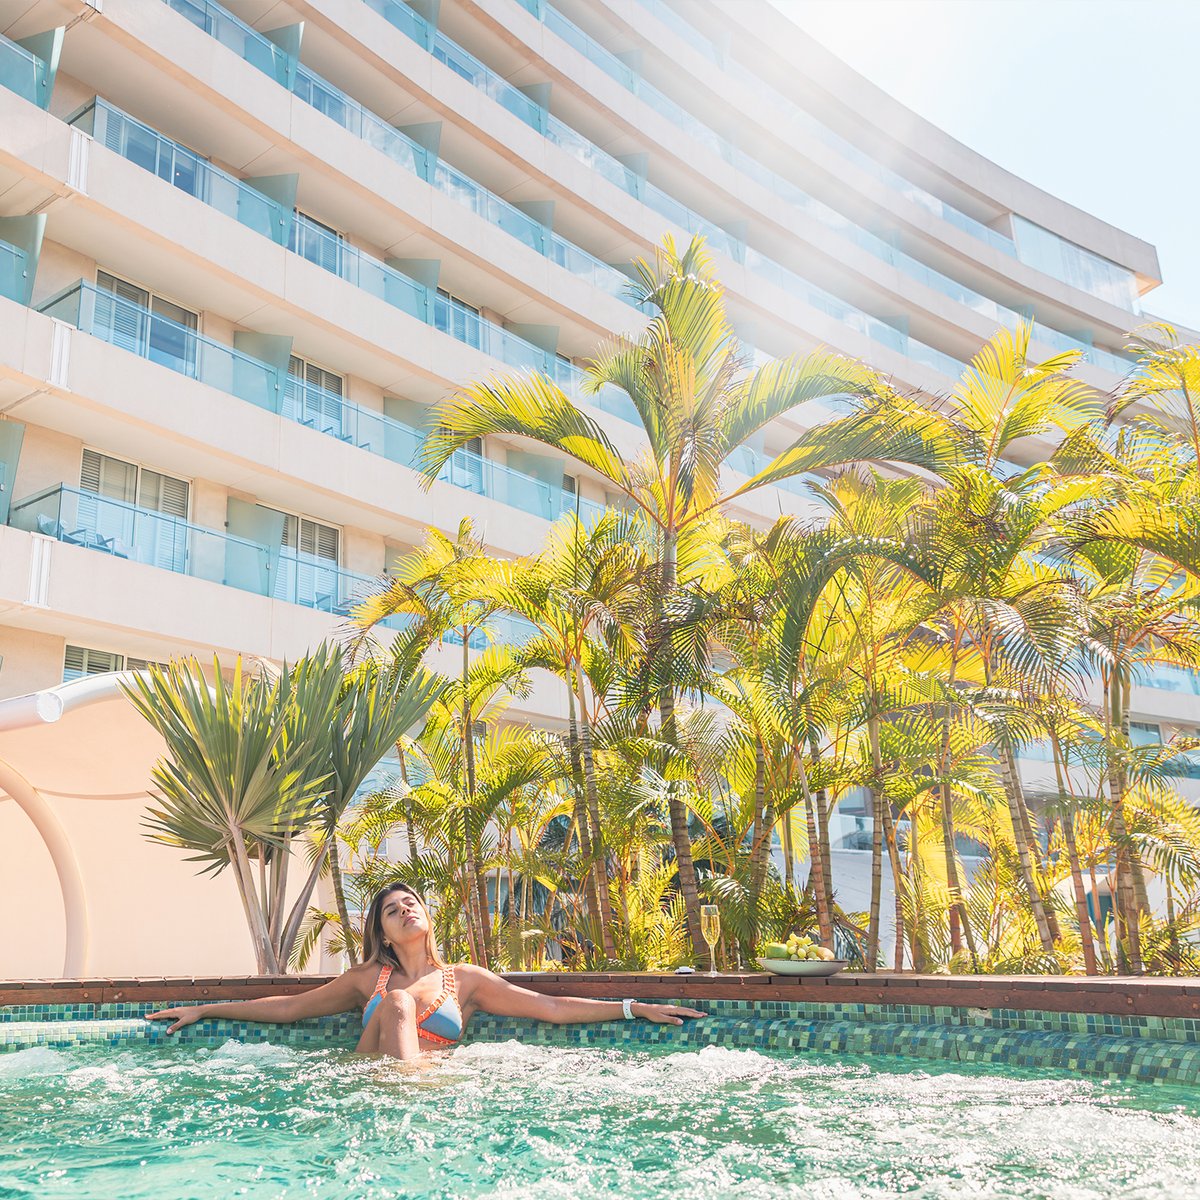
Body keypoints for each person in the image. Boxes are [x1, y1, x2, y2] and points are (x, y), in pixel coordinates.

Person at [147, 882, 704, 1061]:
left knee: (405, 1008)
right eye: (392, 910)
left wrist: (633, 1007)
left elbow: (552, 1010)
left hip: (430, 1089)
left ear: (429, 915)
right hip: (370, 1086)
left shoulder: (466, 981)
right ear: (383, 933)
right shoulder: (370, 980)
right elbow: (289, 1008)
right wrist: (205, 1008)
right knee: (397, 1004)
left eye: (411, 902)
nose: (405, 910)